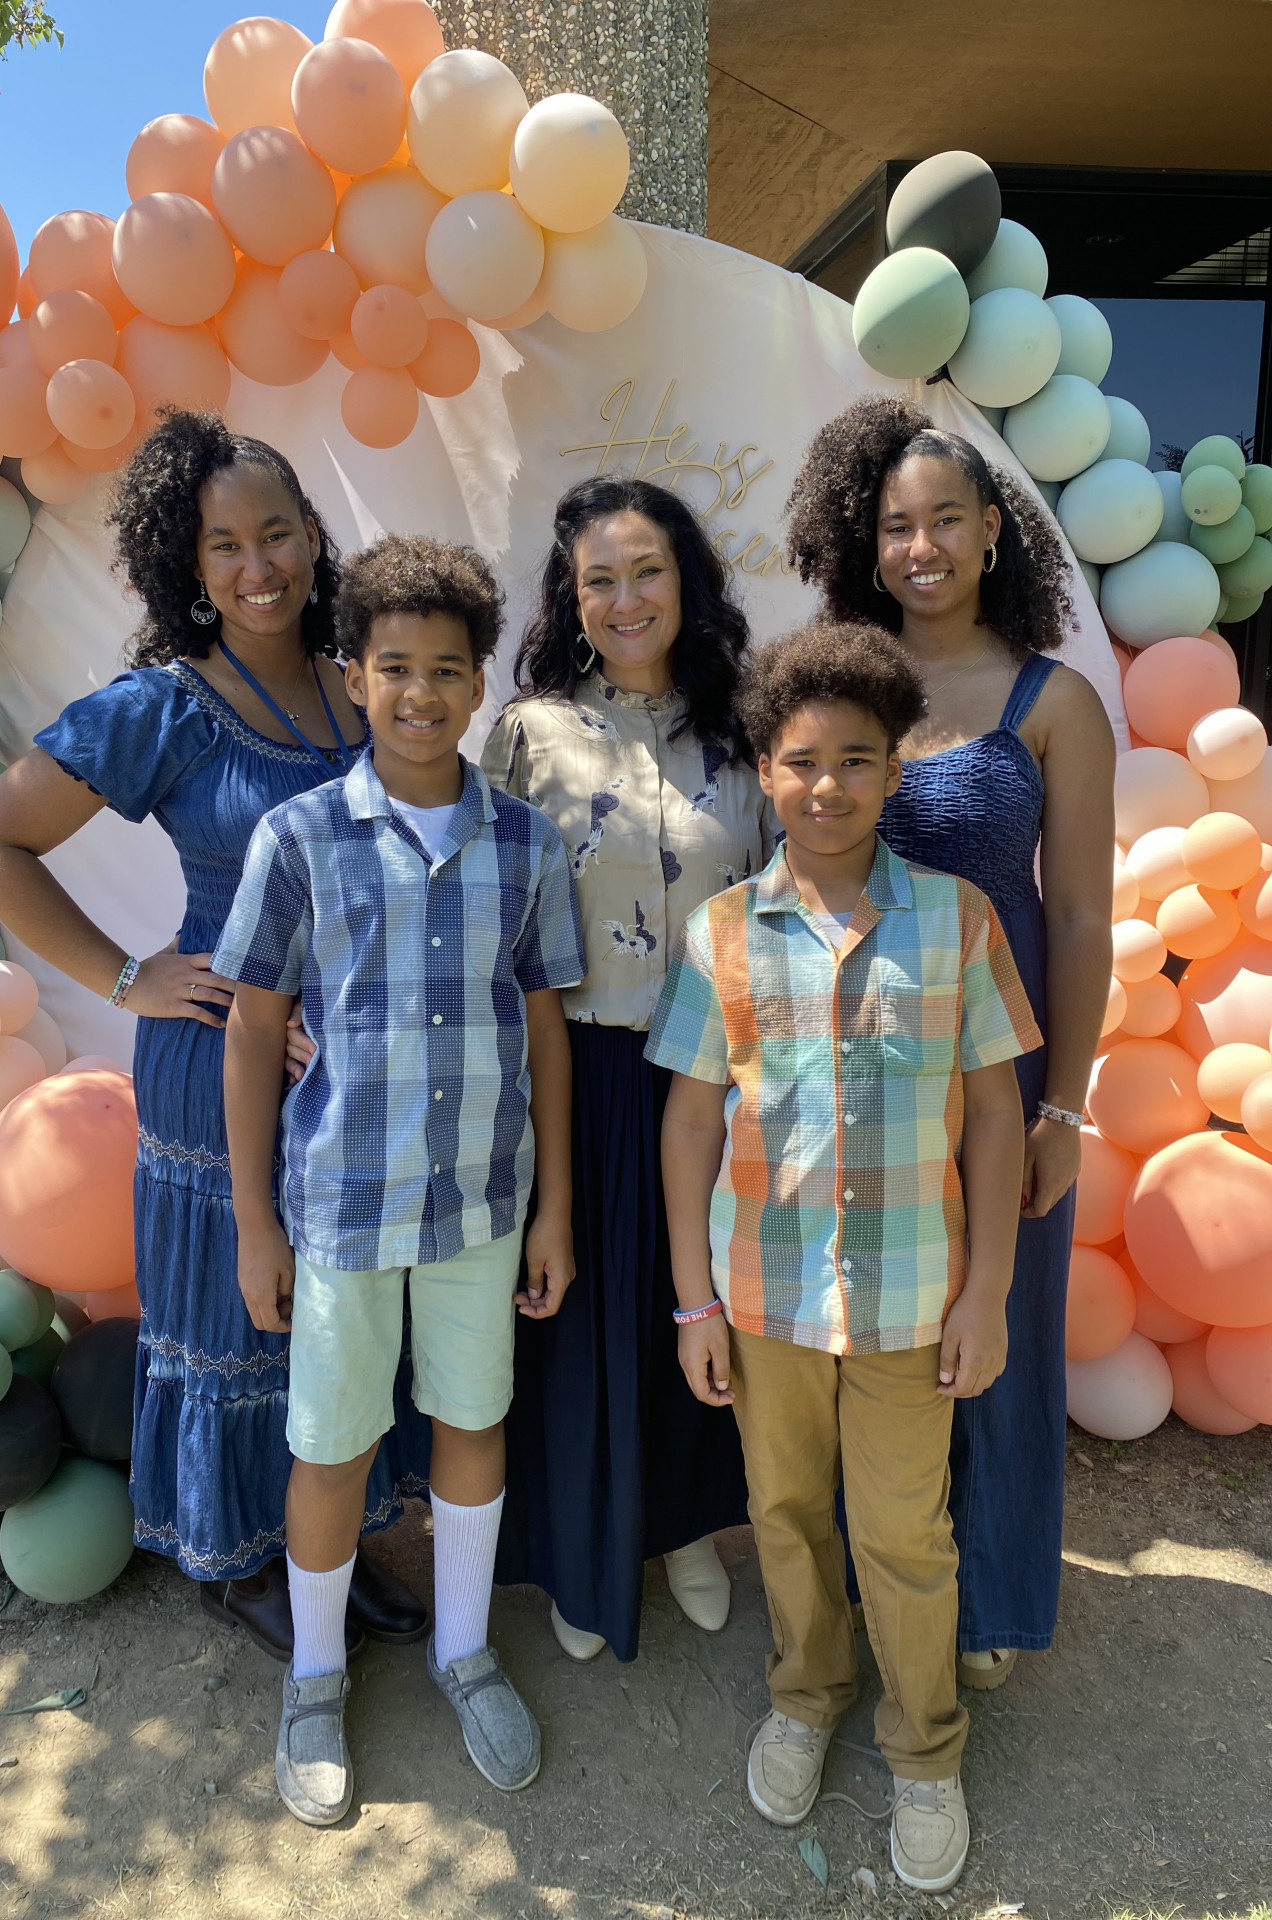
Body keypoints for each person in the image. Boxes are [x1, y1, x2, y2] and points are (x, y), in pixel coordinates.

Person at [0, 409, 429, 1660]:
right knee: (239, 1315)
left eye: (276, 532)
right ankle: (243, 1559)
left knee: (340, 1315)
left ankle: (332, 1542)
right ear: (191, 565)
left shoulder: (362, 677)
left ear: (314, 536)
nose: (258, 565)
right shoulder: (165, 710)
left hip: (355, 1057)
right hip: (221, 1057)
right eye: (225, 545)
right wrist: (124, 976)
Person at [652, 625, 1038, 1892]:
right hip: (764, 1295)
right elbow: (690, 1121)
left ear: (893, 772)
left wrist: (988, 1292)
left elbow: (995, 1112)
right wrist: (693, 1303)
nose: (828, 786)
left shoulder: (959, 920)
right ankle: (807, 1693)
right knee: (783, 1512)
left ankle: (925, 1748)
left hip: (913, 1298)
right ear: (765, 770)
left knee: (905, 1531)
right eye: (803, 762)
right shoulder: (721, 932)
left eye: (857, 761)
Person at [214, 534, 585, 1826]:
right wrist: (255, 1221)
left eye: (445, 669)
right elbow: (254, 1027)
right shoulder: (301, 838)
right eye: (393, 668)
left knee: (472, 1422)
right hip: (343, 1208)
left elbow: (544, 1027)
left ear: (479, 683)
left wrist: (555, 1208)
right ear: (354, 676)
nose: (420, 692)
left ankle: (464, 1650)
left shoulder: (527, 844)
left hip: (483, 1201)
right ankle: (314, 1677)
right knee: (332, 1443)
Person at [784, 397, 1115, 1688]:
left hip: (1003, 1065)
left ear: (993, 532)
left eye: (944, 521)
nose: (919, 547)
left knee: (999, 1318)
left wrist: (1063, 1108)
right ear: (863, 543)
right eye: (893, 525)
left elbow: (1078, 915)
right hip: (856, 1062)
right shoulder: (833, 684)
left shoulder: (1055, 701)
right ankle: (874, 1580)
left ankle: (988, 1597)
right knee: (871, 1325)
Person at [480, 475, 776, 1664]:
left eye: (646, 570)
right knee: (580, 1320)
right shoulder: (529, 733)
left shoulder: (746, 729)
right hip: (580, 1074)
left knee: (690, 1312)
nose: (625, 598)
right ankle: (580, 1552)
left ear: (686, 578)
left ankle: (682, 1526)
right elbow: (488, 916)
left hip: (713, 1077)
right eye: (598, 580)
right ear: (571, 597)